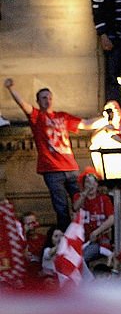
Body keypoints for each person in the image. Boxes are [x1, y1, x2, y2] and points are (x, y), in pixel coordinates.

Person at [3, 79, 101, 229]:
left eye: (49, 98)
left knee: (81, 201)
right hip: (52, 170)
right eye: (44, 98)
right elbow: (23, 105)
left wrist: (107, 120)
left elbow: (86, 124)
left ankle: (83, 231)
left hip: (71, 168)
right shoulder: (37, 117)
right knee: (61, 207)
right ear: (38, 101)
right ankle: (66, 236)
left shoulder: (62, 116)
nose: (47, 101)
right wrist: (11, 89)